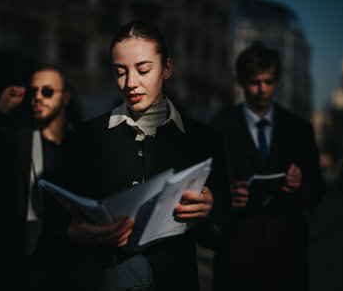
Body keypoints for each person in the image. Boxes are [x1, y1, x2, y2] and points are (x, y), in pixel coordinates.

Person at [55, 21, 230, 291]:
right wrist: (73, 234)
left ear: (167, 68)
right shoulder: (83, 138)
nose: (130, 83)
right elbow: (54, 228)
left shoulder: (204, 139)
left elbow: (222, 236)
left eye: (143, 69)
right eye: (120, 72)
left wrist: (211, 210)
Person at [212, 42, 325, 291]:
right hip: (236, 255)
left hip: (287, 256)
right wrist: (224, 197)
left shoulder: (299, 128)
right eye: (255, 81)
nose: (262, 89)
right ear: (240, 81)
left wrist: (301, 183)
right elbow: (204, 187)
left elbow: (318, 188)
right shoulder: (219, 128)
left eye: (270, 81)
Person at [0, 66, 76, 275]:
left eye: (47, 91)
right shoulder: (16, 140)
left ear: (66, 97)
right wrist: (0, 109)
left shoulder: (81, 141)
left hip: (65, 260)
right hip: (16, 259)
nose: (38, 97)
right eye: (33, 92)